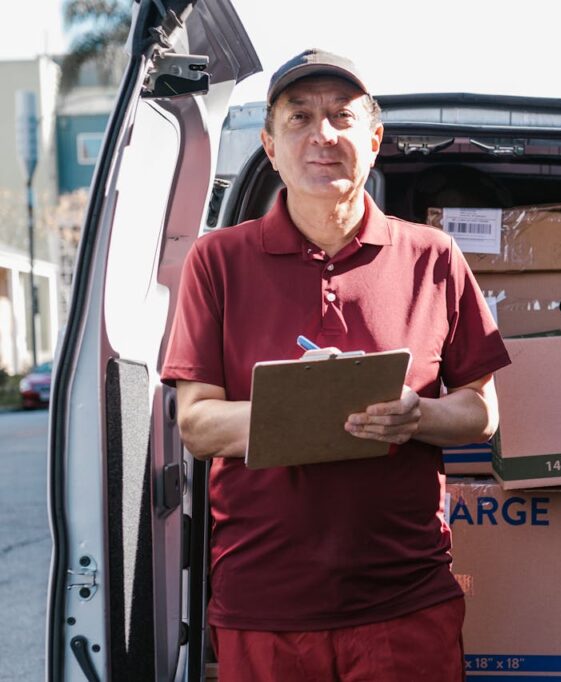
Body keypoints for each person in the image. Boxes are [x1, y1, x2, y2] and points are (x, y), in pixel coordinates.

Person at [161, 48, 511, 682]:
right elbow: (197, 425)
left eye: (341, 116)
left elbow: (481, 412)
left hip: (405, 601)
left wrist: (415, 416)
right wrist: (304, 406)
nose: (322, 134)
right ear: (270, 146)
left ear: (374, 140)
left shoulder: (433, 258)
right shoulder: (217, 262)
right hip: (265, 607)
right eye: (299, 118)